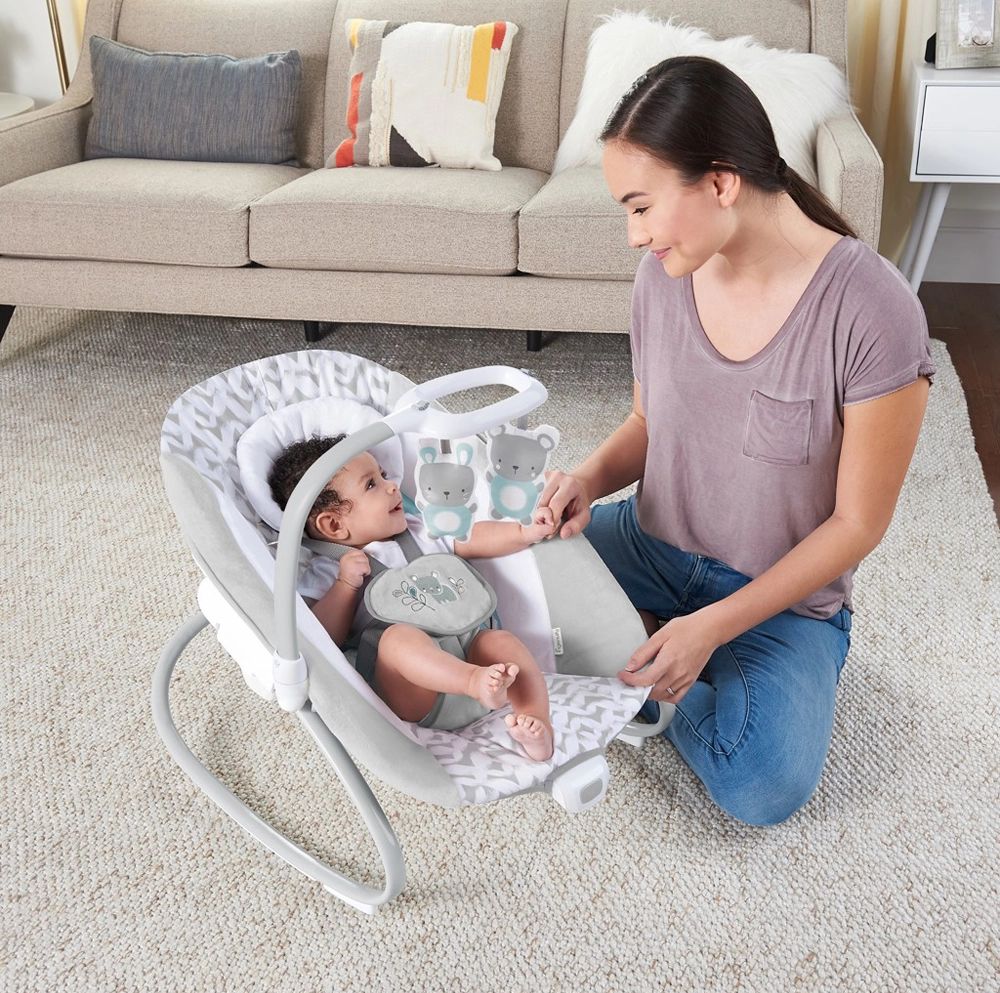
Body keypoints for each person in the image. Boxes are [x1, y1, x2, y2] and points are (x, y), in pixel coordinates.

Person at [539, 56, 935, 824]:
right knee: (498, 569)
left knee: (762, 782)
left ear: (720, 182)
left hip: (781, 600)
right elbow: (650, 424)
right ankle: (651, 643)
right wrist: (585, 480)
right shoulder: (664, 278)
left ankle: (646, 657)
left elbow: (858, 525)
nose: (633, 236)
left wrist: (712, 627)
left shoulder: (873, 310)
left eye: (641, 207)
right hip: (653, 544)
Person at [269, 436, 557, 761]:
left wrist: (521, 532)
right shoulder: (328, 570)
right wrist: (345, 585)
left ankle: (537, 723)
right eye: (371, 485)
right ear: (334, 525)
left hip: (481, 665)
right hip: (416, 693)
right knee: (396, 639)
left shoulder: (419, 531)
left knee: (500, 641)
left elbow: (471, 537)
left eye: (383, 475)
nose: (392, 486)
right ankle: (472, 681)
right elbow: (318, 639)